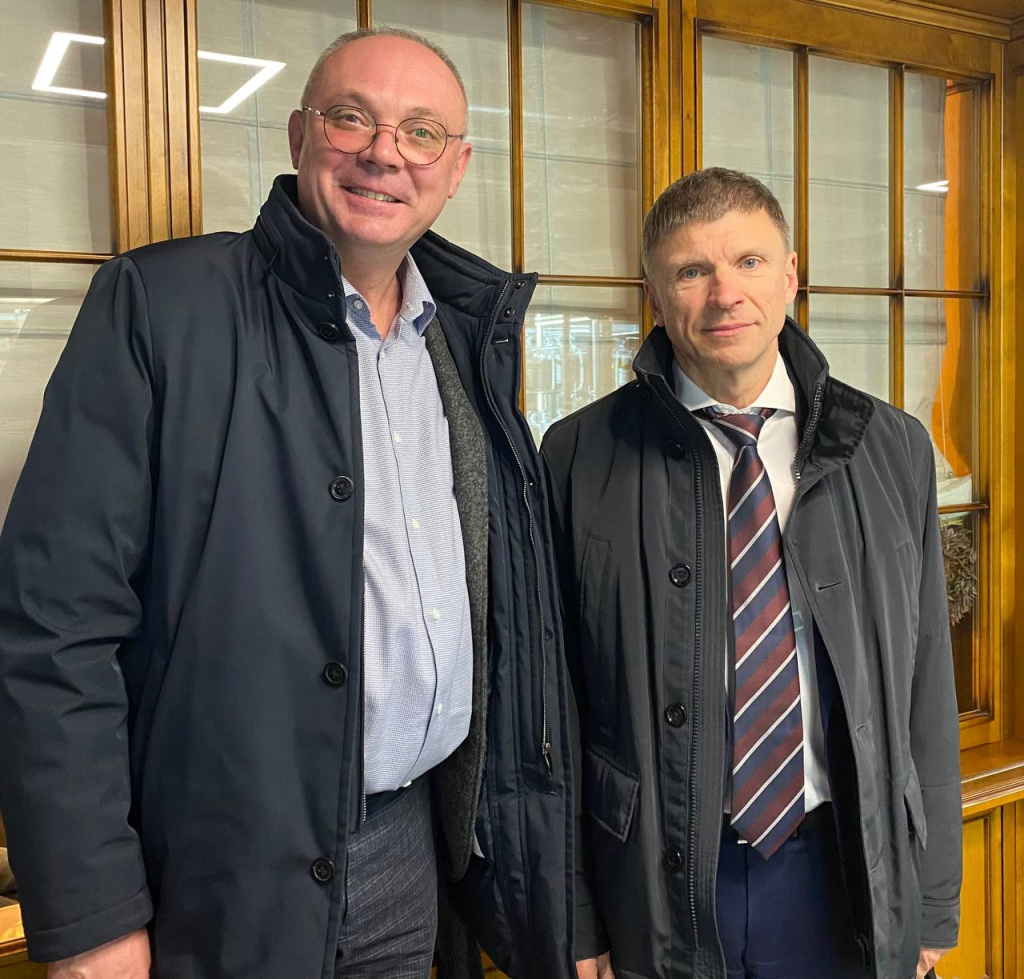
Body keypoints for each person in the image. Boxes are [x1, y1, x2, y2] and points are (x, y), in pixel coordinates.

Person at [0, 28, 579, 979]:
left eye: (421, 132)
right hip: (223, 864)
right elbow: (53, 626)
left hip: (413, 846)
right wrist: (92, 913)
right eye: (352, 117)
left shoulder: (462, 342)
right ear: (301, 136)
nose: (385, 153)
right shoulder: (163, 307)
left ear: (455, 168)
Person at [542, 168, 962, 979]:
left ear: (791, 274)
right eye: (691, 270)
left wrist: (934, 893)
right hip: (653, 879)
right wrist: (575, 911)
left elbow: (925, 684)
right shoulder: (578, 454)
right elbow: (552, 702)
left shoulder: (890, 446)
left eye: (749, 262)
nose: (724, 293)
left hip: (842, 867)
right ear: (654, 294)